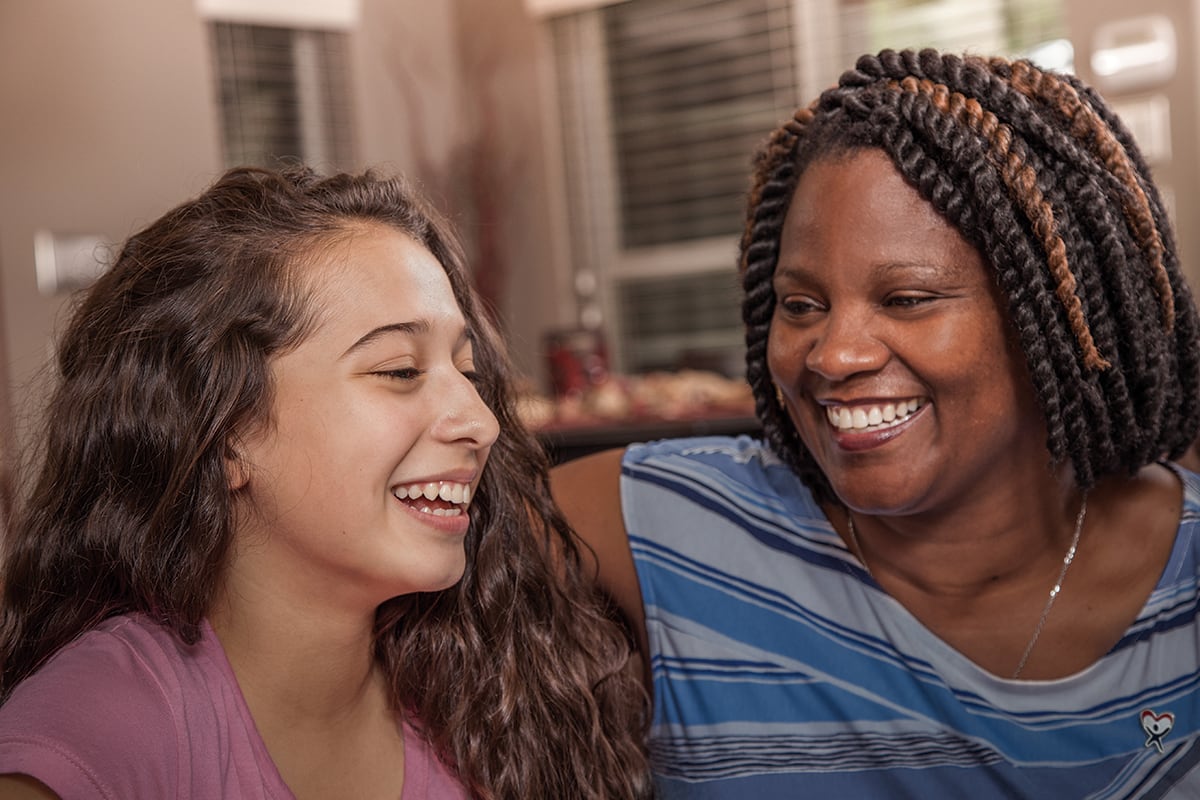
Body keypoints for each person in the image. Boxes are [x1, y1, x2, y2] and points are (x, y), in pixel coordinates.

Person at [552, 48, 1200, 798]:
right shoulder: (672, 530)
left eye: (907, 299)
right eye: (801, 306)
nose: (833, 354)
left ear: (1053, 319)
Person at [0, 165, 653, 800]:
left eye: (468, 371)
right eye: (400, 370)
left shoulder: (489, 697)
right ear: (225, 431)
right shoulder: (101, 734)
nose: (481, 422)